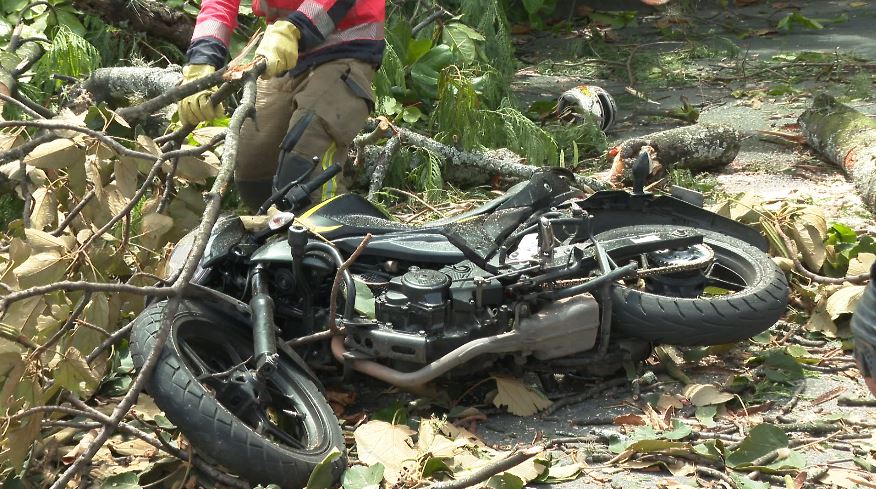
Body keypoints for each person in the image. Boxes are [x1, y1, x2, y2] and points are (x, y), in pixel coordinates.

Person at [178, 0, 385, 210]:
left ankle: (331, 237)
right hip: (283, 52)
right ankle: (278, 234)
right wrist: (202, 60)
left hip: (346, 47)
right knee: (254, 174)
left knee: (304, 163)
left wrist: (295, 28)